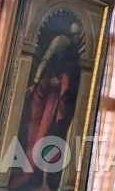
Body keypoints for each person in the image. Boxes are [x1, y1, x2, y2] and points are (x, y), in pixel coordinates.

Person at [10, 21, 85, 191]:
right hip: (47, 93)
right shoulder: (62, 42)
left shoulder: (73, 53)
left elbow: (69, 76)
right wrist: (37, 82)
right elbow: (46, 60)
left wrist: (63, 81)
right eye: (76, 35)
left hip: (55, 97)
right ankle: (32, 176)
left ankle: (43, 180)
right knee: (38, 135)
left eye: (78, 35)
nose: (77, 38)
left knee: (47, 136)